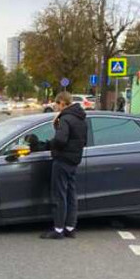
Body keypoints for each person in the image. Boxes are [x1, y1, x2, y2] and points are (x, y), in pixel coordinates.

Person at [40, 92, 87, 240]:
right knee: (71, 194)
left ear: (62, 103)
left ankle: (58, 229)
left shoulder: (65, 118)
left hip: (62, 160)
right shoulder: (80, 119)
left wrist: (47, 145)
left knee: (59, 195)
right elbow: (83, 141)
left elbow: (60, 140)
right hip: (74, 160)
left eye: (56, 103)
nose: (55, 106)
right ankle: (70, 228)